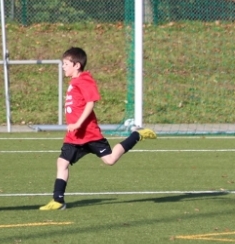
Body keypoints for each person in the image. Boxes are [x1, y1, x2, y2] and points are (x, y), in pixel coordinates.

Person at [38, 47, 156, 211]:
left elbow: (90, 102)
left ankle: (136, 135)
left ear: (77, 65)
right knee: (62, 162)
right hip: (75, 136)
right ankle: (58, 200)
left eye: (66, 64)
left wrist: (78, 123)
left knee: (110, 160)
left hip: (90, 134)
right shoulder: (74, 82)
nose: (63, 67)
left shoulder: (84, 80)